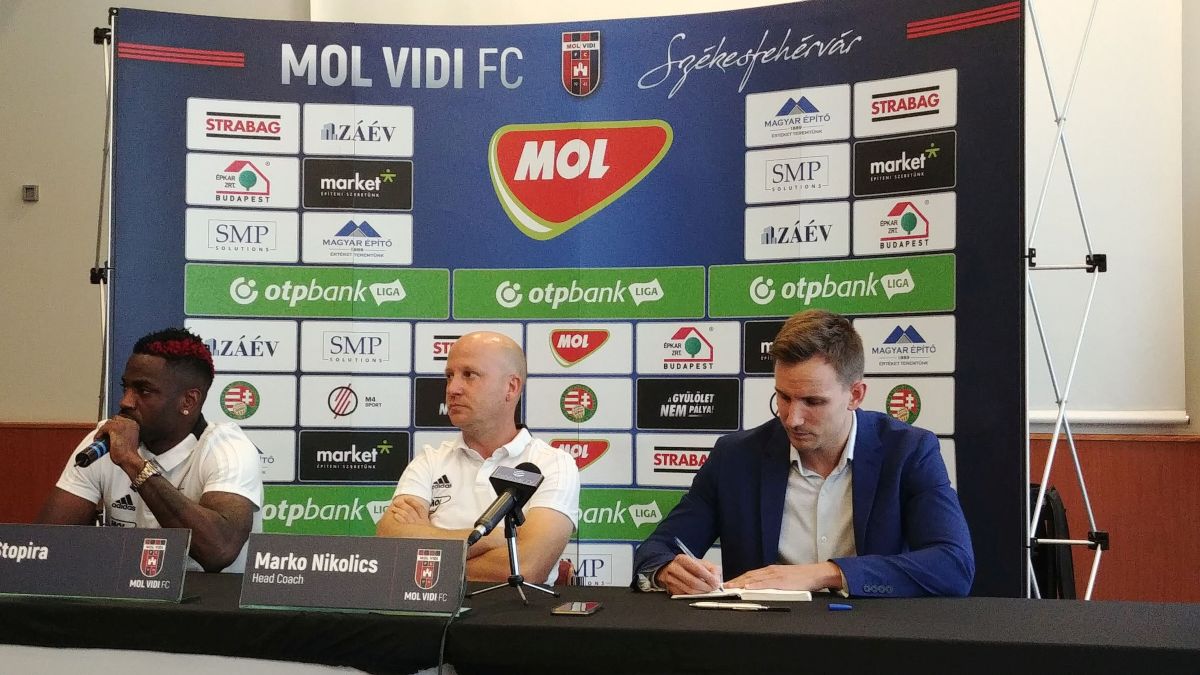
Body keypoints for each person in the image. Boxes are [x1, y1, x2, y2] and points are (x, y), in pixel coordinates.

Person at [632, 310, 974, 597]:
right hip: (761, 643)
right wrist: (666, 570)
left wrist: (826, 573)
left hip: (872, 642)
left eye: (813, 401)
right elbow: (655, 550)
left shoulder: (909, 451)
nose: (792, 419)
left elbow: (953, 565)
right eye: (783, 397)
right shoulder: (735, 457)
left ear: (855, 395)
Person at [37, 328, 263, 573]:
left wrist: (131, 462)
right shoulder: (104, 440)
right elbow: (44, 545)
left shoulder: (227, 449)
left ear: (188, 401)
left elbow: (219, 550)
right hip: (128, 593)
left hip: (210, 597)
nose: (125, 401)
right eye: (125, 387)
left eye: (143, 391)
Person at [377, 331, 579, 584]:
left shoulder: (552, 464)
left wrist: (426, 537)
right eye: (449, 376)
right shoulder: (429, 461)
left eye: (469, 375)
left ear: (511, 387)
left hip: (512, 608)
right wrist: (491, 538)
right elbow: (390, 545)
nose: (453, 389)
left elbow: (525, 568)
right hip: (429, 608)